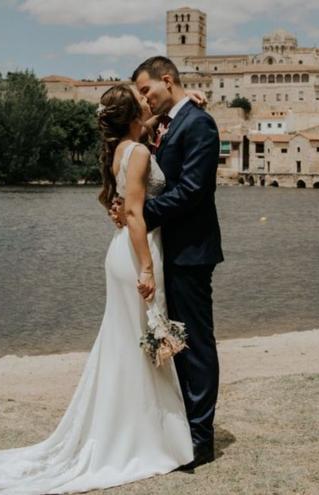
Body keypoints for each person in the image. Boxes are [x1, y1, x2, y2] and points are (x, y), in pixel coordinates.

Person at [0, 83, 201, 494]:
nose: (149, 104)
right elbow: (132, 211)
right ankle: (140, 436)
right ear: (132, 117)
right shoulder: (141, 153)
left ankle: (128, 429)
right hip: (137, 254)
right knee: (139, 344)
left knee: (127, 345)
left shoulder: (120, 150)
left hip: (121, 254)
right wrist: (146, 268)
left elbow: (137, 153)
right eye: (142, 102)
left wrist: (186, 101)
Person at [113, 55, 223, 471]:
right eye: (139, 94)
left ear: (167, 79)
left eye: (146, 90)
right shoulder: (168, 123)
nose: (144, 98)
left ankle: (201, 440)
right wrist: (129, 209)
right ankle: (177, 431)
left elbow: (194, 190)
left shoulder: (199, 124)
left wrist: (139, 213)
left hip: (191, 251)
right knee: (170, 341)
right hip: (164, 249)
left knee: (194, 343)